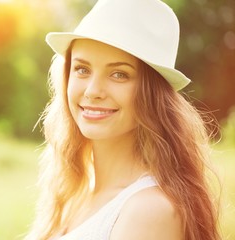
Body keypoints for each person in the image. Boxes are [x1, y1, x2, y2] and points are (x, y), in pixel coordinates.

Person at [26, 0, 221, 239]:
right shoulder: (73, 194)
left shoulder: (148, 211)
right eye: (82, 69)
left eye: (119, 74)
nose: (92, 91)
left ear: (152, 94)